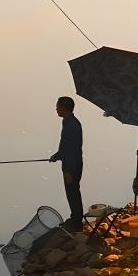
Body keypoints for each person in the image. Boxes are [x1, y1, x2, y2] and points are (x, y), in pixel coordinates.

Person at [49, 96, 83, 232]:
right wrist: (57, 156)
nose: (56, 109)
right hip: (72, 162)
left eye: (58, 106)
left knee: (72, 192)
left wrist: (68, 170)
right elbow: (65, 148)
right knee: (72, 192)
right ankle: (75, 218)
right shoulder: (68, 122)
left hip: (71, 165)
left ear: (64, 108)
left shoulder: (71, 125)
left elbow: (71, 150)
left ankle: (76, 222)